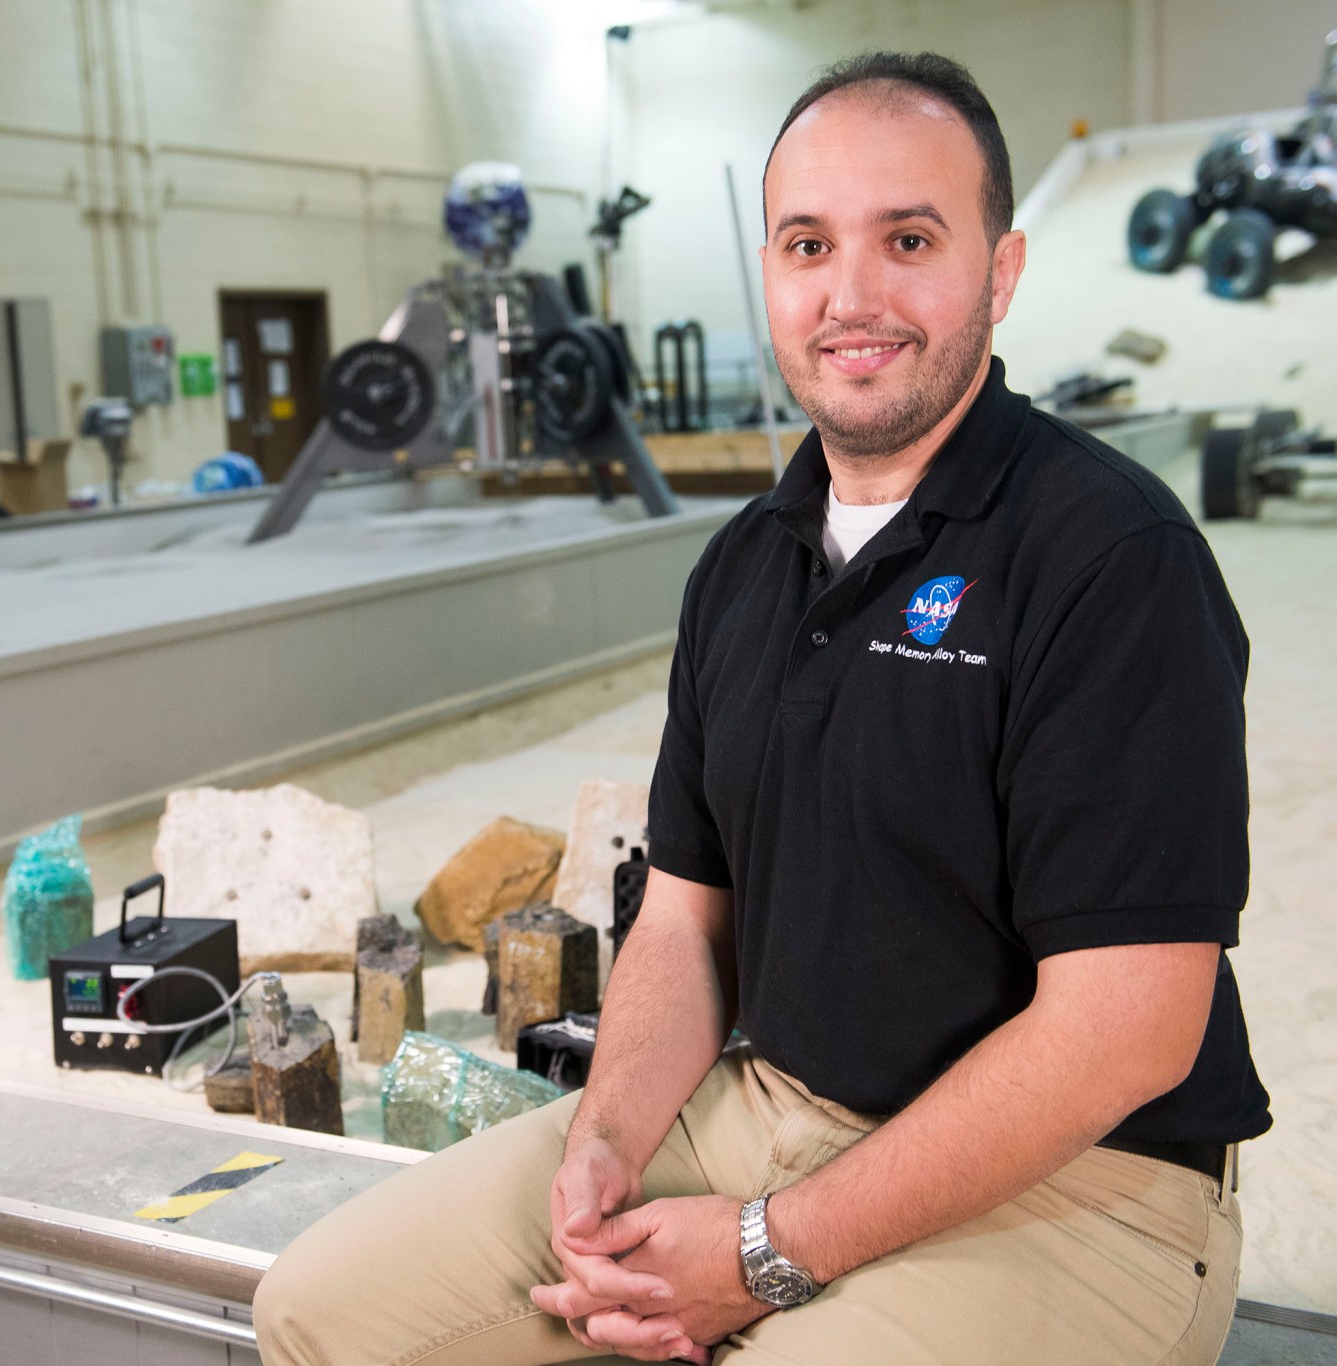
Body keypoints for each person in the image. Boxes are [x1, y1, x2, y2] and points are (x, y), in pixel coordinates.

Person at [254, 50, 1269, 1366]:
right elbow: (686, 914)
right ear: (772, 274)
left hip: (1078, 1182)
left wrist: (764, 1249)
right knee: (318, 1314)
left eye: (909, 238)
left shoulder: (1110, 556)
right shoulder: (743, 565)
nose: (852, 293)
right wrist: (609, 1138)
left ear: (1001, 270)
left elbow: (1124, 1030)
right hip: (764, 1105)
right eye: (808, 245)